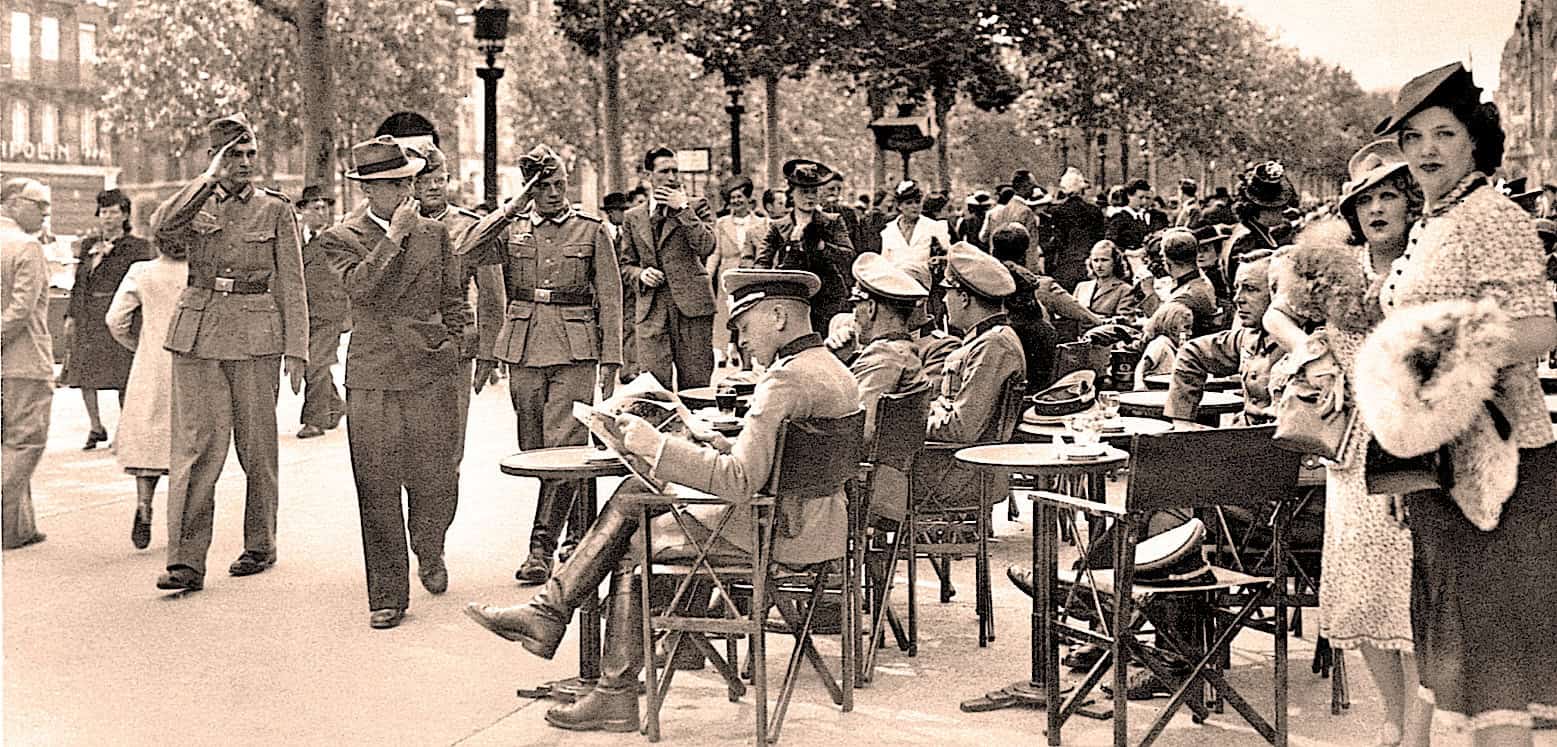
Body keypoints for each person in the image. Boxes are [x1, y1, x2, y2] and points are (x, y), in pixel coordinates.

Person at [465, 269, 859, 733]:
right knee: (638, 498)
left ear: (778, 316)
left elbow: (738, 482)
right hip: (818, 527)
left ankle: (602, 679)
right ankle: (553, 620)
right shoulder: (834, 371)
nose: (741, 339)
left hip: (776, 533)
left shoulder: (784, 382)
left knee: (636, 535)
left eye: (745, 325)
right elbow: (784, 463)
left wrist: (656, 445)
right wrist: (714, 442)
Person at [1367, 62, 1557, 744]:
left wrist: (1434, 357)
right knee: (1467, 672)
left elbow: (1539, 329)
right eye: (1413, 137)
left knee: (1494, 674)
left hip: (1499, 467)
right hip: (1440, 468)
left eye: (1444, 134)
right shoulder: (1437, 219)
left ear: (1473, 141)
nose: (1426, 149)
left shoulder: (1489, 215)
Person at [1264, 139, 1427, 747]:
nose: (1377, 209)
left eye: (1389, 196)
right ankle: (1392, 720)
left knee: (1416, 600)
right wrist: (1313, 354)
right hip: (1351, 453)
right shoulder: (1336, 269)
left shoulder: (1428, 267)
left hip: (1415, 441)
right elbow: (1274, 315)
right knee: (1362, 594)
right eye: (1365, 200)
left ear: (1411, 202)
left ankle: (1416, 734)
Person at [152, 114, 308, 592]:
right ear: (214, 158)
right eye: (233, 155)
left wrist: (297, 350)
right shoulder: (194, 201)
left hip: (256, 336)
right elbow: (161, 230)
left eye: (249, 154)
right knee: (197, 448)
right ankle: (185, 561)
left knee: (257, 449)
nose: (244, 163)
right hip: (199, 335)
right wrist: (206, 179)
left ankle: (260, 544)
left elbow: (292, 282)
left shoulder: (275, 209)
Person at [318, 137, 468, 628]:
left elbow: (453, 299)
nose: (407, 191)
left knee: (437, 475)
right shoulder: (340, 237)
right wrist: (395, 237)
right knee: (376, 483)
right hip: (375, 374)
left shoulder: (435, 233)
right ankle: (387, 595)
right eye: (393, 184)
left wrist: (454, 346)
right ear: (368, 190)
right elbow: (361, 288)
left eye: (408, 181)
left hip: (430, 368)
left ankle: (429, 542)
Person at [462, 144, 624, 586]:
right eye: (543, 186)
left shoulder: (591, 229)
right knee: (536, 450)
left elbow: (610, 296)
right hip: (524, 346)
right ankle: (579, 532)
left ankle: (541, 548)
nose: (554, 193)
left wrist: (612, 358)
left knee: (563, 446)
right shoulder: (512, 227)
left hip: (575, 349)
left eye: (559, 184)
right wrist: (509, 209)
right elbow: (467, 249)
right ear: (529, 188)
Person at [912, 243, 1025, 517]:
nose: (943, 300)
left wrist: (914, 418)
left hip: (954, 475)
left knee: (860, 480)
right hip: (956, 468)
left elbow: (962, 428)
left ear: (964, 298)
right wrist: (938, 408)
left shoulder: (993, 346)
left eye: (947, 292)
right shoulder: (985, 340)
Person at [105, 203, 189, 550]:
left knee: (147, 441)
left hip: (150, 363)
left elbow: (115, 319)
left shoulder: (142, 271)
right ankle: (181, 520)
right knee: (186, 443)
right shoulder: (197, 272)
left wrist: (136, 344)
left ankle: (144, 504)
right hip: (189, 364)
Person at [410, 144, 506, 442]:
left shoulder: (470, 227)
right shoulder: (397, 226)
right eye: (423, 180)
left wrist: (488, 354)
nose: (433, 187)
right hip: (406, 346)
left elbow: (492, 297)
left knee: (448, 438)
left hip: (453, 344)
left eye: (439, 179)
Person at [618, 146, 716, 390]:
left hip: (692, 307)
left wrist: (683, 209)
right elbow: (625, 264)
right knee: (653, 387)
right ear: (648, 175)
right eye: (664, 171)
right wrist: (641, 274)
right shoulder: (633, 217)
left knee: (696, 385)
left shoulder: (696, 206)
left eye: (675, 171)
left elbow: (706, 246)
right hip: (651, 310)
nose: (672, 177)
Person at [62, 189, 153, 449]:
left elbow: (141, 283)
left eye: (113, 212)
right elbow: (79, 283)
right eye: (103, 212)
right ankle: (96, 426)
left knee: (123, 376)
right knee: (83, 373)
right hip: (89, 318)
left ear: (124, 216)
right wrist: (71, 315)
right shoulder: (89, 245)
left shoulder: (137, 247)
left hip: (120, 317)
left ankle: (124, 430)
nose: (108, 218)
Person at [1162, 256, 1280, 425]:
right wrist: (1182, 421)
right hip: (1246, 435)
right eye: (1237, 289)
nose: (1238, 298)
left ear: (1279, 292)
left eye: (1250, 289)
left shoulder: (1304, 341)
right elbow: (1191, 352)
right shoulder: (1247, 336)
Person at [2, 178, 54, 550]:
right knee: (25, 443)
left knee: (6, 443)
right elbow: (21, 309)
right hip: (24, 361)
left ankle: (19, 527)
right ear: (14, 202)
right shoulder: (26, 247)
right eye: (40, 205)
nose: (46, 213)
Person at [756, 158, 856, 334]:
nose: (809, 197)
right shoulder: (778, 227)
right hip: (791, 296)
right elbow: (762, 263)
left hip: (828, 299)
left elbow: (849, 255)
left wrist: (822, 246)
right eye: (803, 192)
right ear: (791, 194)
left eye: (814, 191)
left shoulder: (832, 222)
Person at [296, 184, 347, 440]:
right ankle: (335, 404)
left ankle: (313, 421)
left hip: (329, 312)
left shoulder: (336, 238)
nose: (322, 212)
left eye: (325, 208)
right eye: (315, 208)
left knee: (316, 363)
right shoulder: (295, 238)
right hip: (302, 313)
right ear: (303, 210)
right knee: (312, 364)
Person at [709, 175, 758, 362]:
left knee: (748, 310)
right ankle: (721, 349)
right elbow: (716, 252)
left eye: (740, 197)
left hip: (750, 272)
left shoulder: (760, 222)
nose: (736, 201)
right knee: (724, 311)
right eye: (732, 197)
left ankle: (745, 350)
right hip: (727, 272)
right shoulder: (722, 223)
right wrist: (708, 274)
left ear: (748, 198)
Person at [1045, 168, 1107, 292]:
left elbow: (1057, 241)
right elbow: (1100, 238)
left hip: (1065, 265)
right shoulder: (1095, 211)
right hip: (1089, 263)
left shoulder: (1058, 211)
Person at [879, 180, 951, 282]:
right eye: (909, 203)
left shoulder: (934, 226)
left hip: (923, 283)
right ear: (899, 206)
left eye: (917, 202)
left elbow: (948, 256)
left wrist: (940, 259)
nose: (915, 206)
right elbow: (885, 261)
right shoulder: (888, 230)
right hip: (895, 283)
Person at [600, 191, 636, 380]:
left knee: (630, 326)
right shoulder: (601, 231)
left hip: (627, 288)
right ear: (610, 212)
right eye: (620, 211)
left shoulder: (627, 232)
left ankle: (628, 369)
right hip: (606, 288)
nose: (624, 214)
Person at [979, 182, 1042, 269]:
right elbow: (1032, 245)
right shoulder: (1025, 212)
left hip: (997, 260)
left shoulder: (993, 213)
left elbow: (983, 237)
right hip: (1019, 262)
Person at [1074, 240, 1141, 319]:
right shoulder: (1081, 287)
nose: (1099, 265)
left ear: (1115, 262)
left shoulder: (1125, 290)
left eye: (1104, 260)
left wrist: (1096, 319)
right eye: (1095, 260)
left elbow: (1125, 320)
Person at [822, 170, 874, 255]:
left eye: (839, 189)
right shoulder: (811, 212)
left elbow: (858, 245)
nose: (836, 193)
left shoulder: (848, 213)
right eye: (831, 189)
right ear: (820, 189)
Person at [1104, 179, 1157, 255]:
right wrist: (1130, 252)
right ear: (1129, 196)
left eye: (1146, 198)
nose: (1144, 202)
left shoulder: (1143, 216)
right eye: (1140, 197)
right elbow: (1109, 243)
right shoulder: (1119, 217)